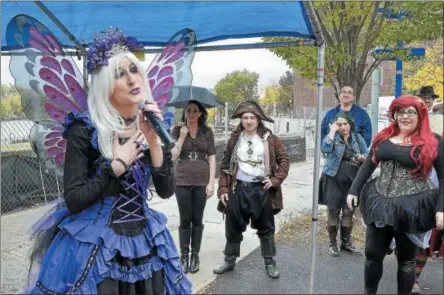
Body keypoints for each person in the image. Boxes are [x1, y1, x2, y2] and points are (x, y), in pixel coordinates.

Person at [23, 29, 192, 294]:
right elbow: (74, 200)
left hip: (145, 245)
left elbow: (166, 190)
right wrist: (116, 166)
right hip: (94, 247)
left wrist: (154, 141)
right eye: (119, 74)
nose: (131, 79)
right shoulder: (85, 129)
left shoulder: (148, 124)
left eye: (134, 70)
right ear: (105, 85)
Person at [346, 95, 444, 295]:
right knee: (373, 254)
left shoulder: (433, 141)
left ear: (420, 115)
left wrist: (441, 208)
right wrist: (354, 189)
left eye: (411, 112)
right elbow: (369, 164)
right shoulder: (383, 137)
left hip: (413, 205)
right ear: (394, 114)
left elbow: (443, 176)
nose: (405, 116)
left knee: (406, 259)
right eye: (401, 112)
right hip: (380, 200)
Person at [212, 100, 289, 279]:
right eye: (245, 117)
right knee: (232, 226)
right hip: (238, 188)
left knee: (266, 227)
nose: (248, 121)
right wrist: (223, 188)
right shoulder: (235, 139)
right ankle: (229, 260)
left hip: (261, 189)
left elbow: (284, 159)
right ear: (241, 119)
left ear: (258, 119)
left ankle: (270, 262)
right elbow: (224, 166)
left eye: (252, 117)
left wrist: (275, 179)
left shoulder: (269, 139)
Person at [170, 100, 216, 274]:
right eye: (188, 110)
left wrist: (212, 182)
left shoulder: (207, 132)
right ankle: (184, 256)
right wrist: (182, 137)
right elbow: (173, 156)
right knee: (185, 219)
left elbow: (211, 158)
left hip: (201, 181)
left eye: (194, 111)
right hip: (181, 180)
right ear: (184, 113)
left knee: (197, 219)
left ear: (200, 113)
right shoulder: (176, 130)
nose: (190, 113)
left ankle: (195, 255)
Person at [319, 112, 368, 257]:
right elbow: (325, 149)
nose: (343, 127)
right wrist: (332, 131)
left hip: (352, 181)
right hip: (333, 179)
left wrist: (361, 157)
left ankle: (346, 243)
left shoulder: (358, 138)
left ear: (350, 124)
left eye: (345, 124)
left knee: (348, 212)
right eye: (339, 124)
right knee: (333, 212)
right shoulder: (332, 138)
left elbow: (367, 155)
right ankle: (333, 244)